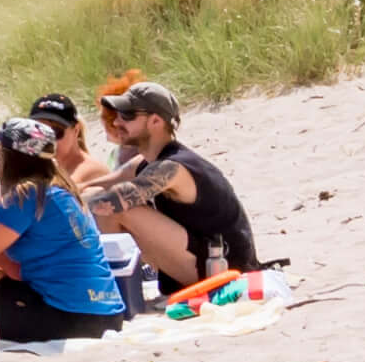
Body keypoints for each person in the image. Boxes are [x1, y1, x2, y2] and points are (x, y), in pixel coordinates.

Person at [0, 113, 132, 346]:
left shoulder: (27, 195)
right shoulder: (63, 192)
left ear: (9, 157)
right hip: (108, 315)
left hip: (68, 319)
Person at [94, 81, 263, 293]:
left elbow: (110, 202)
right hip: (201, 260)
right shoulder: (147, 162)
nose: (117, 121)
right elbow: (95, 185)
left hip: (225, 270)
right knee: (104, 200)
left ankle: (112, 291)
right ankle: (117, 285)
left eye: (127, 115)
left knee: (119, 207)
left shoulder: (172, 168)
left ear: (155, 121)